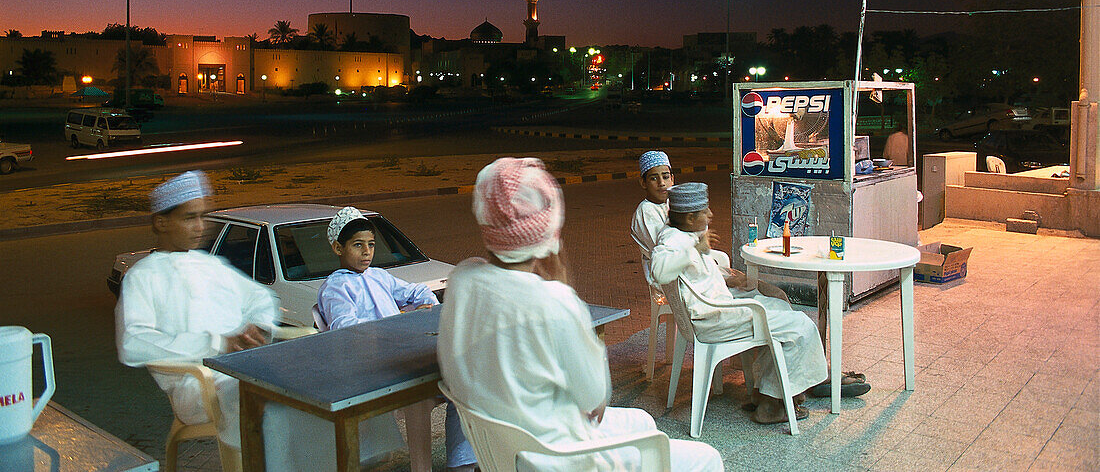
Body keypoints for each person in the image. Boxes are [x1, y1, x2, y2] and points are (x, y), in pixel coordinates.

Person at [438, 157, 722, 472]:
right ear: (548, 234)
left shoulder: (462, 279)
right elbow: (594, 400)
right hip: (560, 459)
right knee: (706, 458)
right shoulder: (553, 300)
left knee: (642, 420)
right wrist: (563, 287)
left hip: (506, 450)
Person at [115, 171, 402, 471]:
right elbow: (133, 343)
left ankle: (357, 460)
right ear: (161, 222)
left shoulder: (206, 264)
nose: (200, 227)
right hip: (199, 383)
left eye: (202, 217)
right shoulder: (142, 277)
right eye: (189, 218)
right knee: (275, 405)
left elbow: (259, 298)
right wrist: (217, 341)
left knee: (332, 373)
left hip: (247, 365)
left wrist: (257, 325)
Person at [650, 182, 832, 425]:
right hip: (716, 319)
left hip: (718, 309)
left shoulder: (682, 235)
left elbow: (698, 276)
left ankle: (766, 394)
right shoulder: (676, 242)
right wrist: (694, 249)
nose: (711, 215)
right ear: (691, 218)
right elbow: (660, 271)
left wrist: (727, 276)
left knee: (780, 306)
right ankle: (774, 404)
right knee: (801, 325)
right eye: (706, 212)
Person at [317, 206, 477, 472]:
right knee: (454, 377)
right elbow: (345, 329)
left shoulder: (378, 276)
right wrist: (398, 321)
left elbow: (417, 293)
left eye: (370, 244)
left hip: (404, 353)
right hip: (376, 367)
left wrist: (420, 308)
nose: (367, 252)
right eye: (357, 245)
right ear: (338, 248)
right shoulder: (336, 287)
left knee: (465, 383)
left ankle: (462, 463)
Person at [630, 150, 788, 302]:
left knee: (771, 291)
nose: (662, 183)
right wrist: (721, 275)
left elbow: (696, 241)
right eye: (653, 178)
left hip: (697, 271)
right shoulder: (646, 212)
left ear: (673, 178)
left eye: (665, 177)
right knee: (770, 294)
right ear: (643, 182)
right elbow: (670, 254)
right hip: (684, 281)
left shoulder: (674, 203)